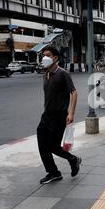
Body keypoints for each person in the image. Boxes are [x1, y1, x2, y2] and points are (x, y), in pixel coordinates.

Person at [37, 46, 81, 184]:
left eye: (47, 55)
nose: (44, 57)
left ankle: (73, 159)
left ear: (55, 58)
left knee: (53, 146)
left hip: (59, 116)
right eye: (43, 55)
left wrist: (71, 113)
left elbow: (74, 92)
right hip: (46, 116)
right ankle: (53, 172)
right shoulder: (46, 74)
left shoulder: (63, 73)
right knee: (42, 143)